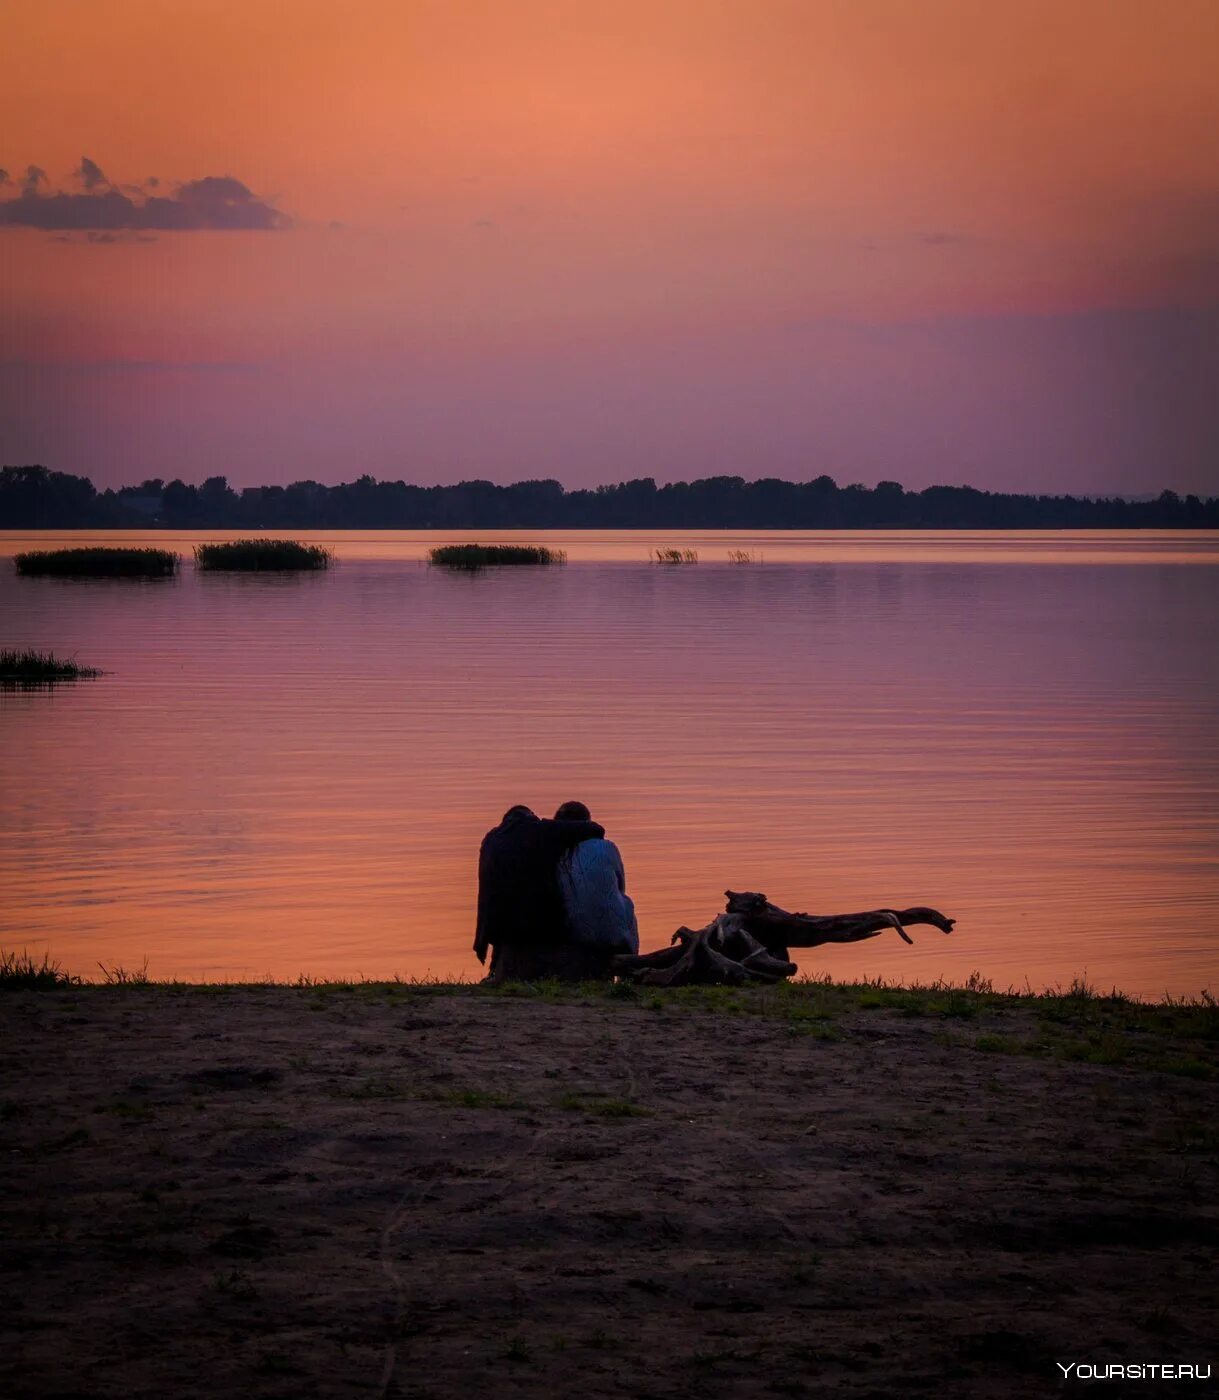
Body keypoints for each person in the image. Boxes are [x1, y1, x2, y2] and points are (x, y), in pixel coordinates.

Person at [474, 803, 604, 981]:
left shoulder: (490, 840)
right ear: (531, 817)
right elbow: (596, 829)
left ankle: (496, 971)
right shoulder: (541, 831)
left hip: (496, 931)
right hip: (536, 928)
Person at [552, 801, 638, 974]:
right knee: (626, 904)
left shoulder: (555, 852)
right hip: (617, 935)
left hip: (574, 935)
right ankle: (630, 972)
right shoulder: (607, 847)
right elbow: (620, 888)